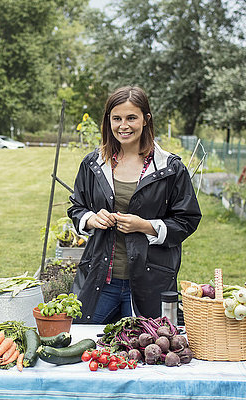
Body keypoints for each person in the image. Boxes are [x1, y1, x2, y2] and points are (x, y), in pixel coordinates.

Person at [67, 86, 201, 324]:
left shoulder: (169, 168)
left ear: (146, 119)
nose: (123, 125)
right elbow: (77, 207)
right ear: (108, 120)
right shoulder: (93, 164)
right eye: (116, 118)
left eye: (131, 118)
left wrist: (146, 226)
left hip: (150, 282)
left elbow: (187, 219)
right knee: (84, 341)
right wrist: (91, 219)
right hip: (100, 278)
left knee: (144, 352)